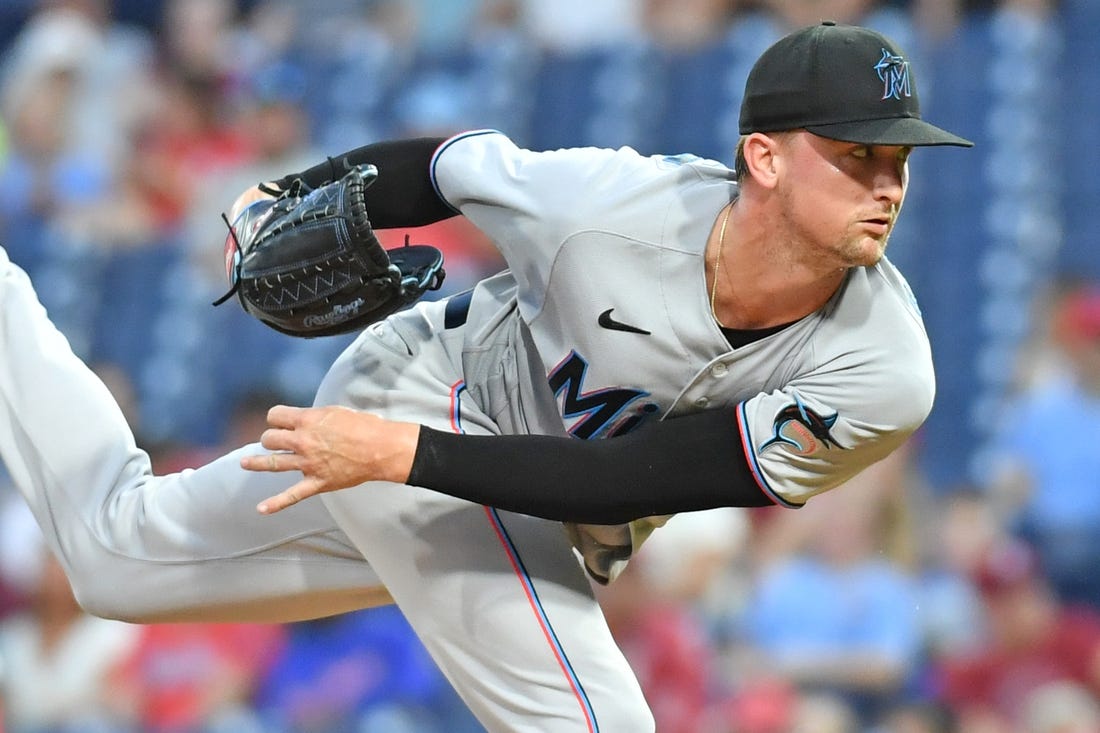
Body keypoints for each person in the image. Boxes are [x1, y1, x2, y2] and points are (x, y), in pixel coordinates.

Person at [0, 22, 972, 732]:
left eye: (895, 158)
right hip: (426, 393)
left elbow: (638, 476)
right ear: (761, 156)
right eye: (853, 155)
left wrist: (396, 457)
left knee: (111, 556)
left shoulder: (880, 367)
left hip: (452, 466)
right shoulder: (614, 206)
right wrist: (289, 192)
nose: (884, 183)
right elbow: (448, 168)